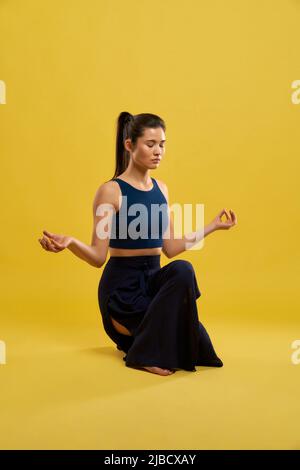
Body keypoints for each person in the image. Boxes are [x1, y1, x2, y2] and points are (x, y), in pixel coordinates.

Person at [38, 112, 237, 376]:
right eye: (150, 144)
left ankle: (153, 342)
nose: (158, 151)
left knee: (183, 269)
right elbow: (98, 257)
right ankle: (140, 355)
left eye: (162, 144)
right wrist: (71, 242)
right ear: (130, 145)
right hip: (123, 291)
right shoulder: (111, 191)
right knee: (176, 335)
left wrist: (212, 226)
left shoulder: (162, 189)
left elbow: (171, 248)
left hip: (153, 287)